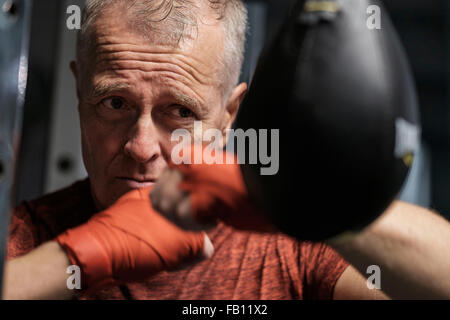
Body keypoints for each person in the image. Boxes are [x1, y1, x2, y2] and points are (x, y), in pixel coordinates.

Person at [3, 0, 450, 300]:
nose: (141, 148)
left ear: (230, 113)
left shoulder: (290, 245)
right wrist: (74, 257)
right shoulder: (24, 241)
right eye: (114, 103)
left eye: (179, 111)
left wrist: (307, 207)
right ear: (80, 92)